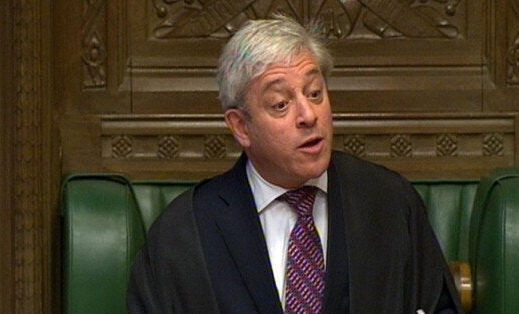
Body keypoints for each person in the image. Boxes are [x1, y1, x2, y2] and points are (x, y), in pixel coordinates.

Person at [128, 15, 462, 314]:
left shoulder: (388, 202)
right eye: (280, 104)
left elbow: (437, 305)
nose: (308, 115)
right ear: (241, 127)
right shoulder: (185, 233)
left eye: (315, 93)